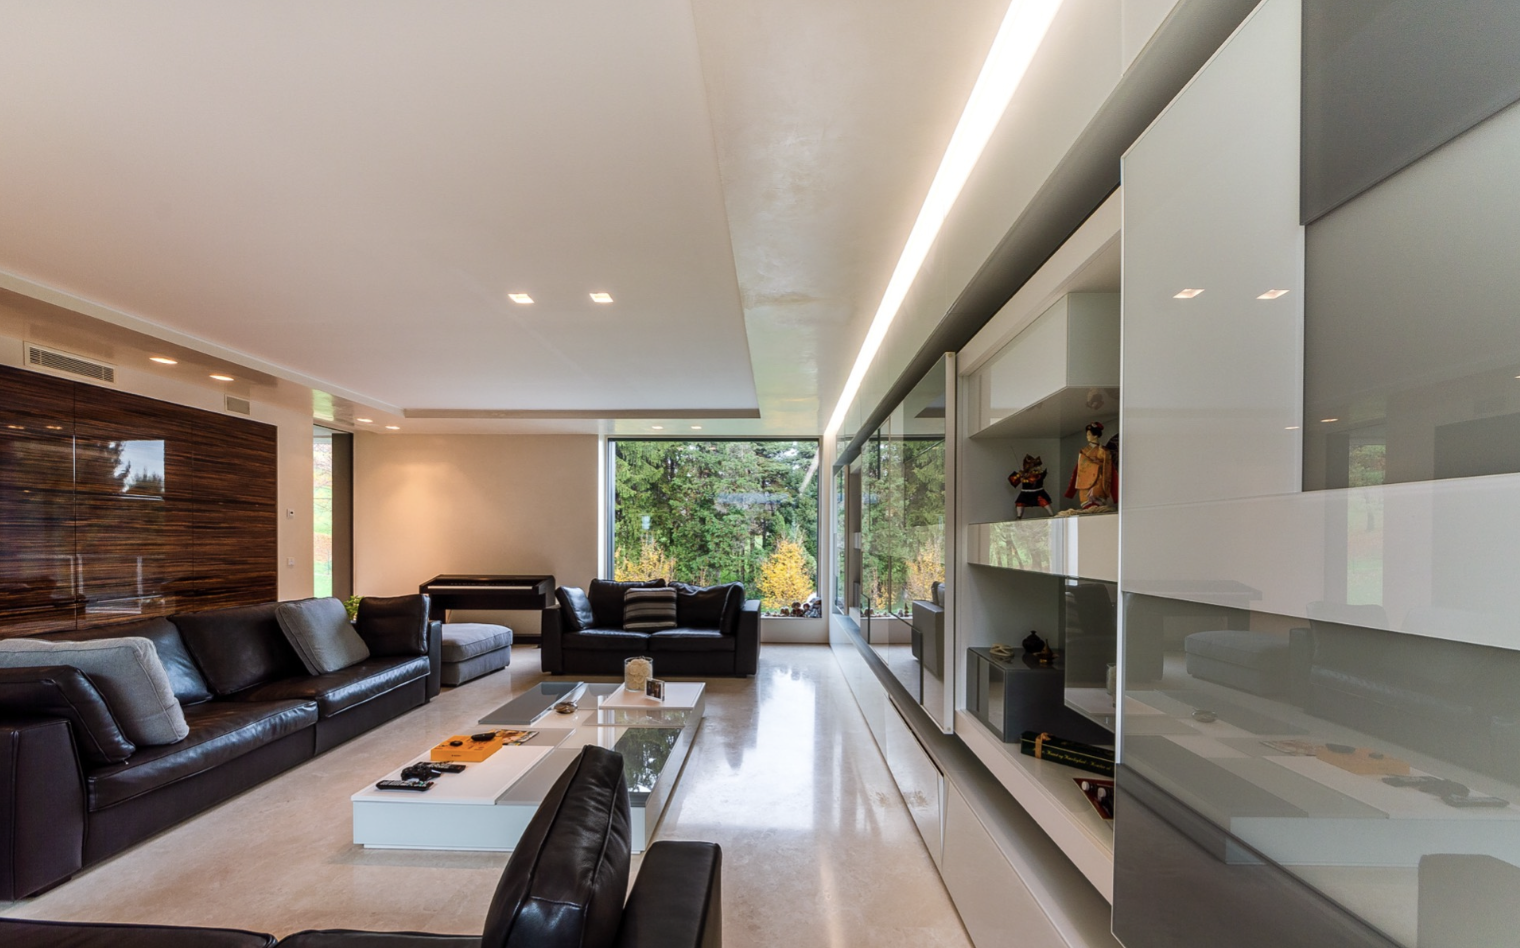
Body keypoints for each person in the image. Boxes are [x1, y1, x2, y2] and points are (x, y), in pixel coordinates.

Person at [1064, 422, 1114, 510]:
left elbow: (1108, 466)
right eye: (1087, 434)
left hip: (1099, 481)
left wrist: (1100, 462)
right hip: (1086, 479)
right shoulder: (1084, 451)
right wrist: (1095, 464)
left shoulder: (1104, 450)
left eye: (1089, 434)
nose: (1087, 436)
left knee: (1098, 506)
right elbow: (1081, 466)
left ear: (1095, 436)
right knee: (1086, 504)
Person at [1009, 454, 1052, 518]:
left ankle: (1051, 514)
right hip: (1025, 492)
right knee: (1020, 503)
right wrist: (1019, 476)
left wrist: (1027, 476)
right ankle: (1019, 516)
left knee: (1044, 502)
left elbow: (1034, 479)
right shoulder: (1022, 473)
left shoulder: (1038, 473)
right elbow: (1013, 480)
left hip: (1037, 492)